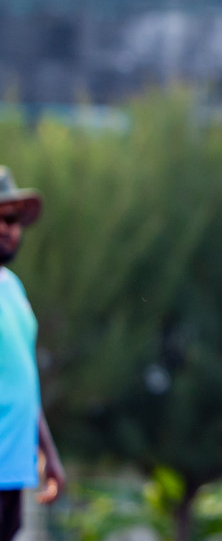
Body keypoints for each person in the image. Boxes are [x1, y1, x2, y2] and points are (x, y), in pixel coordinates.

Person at [0, 167, 65, 541]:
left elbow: (22, 378)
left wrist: (47, 453)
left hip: (12, 467)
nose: (10, 228)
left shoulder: (13, 289)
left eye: (15, 219)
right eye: (2, 218)